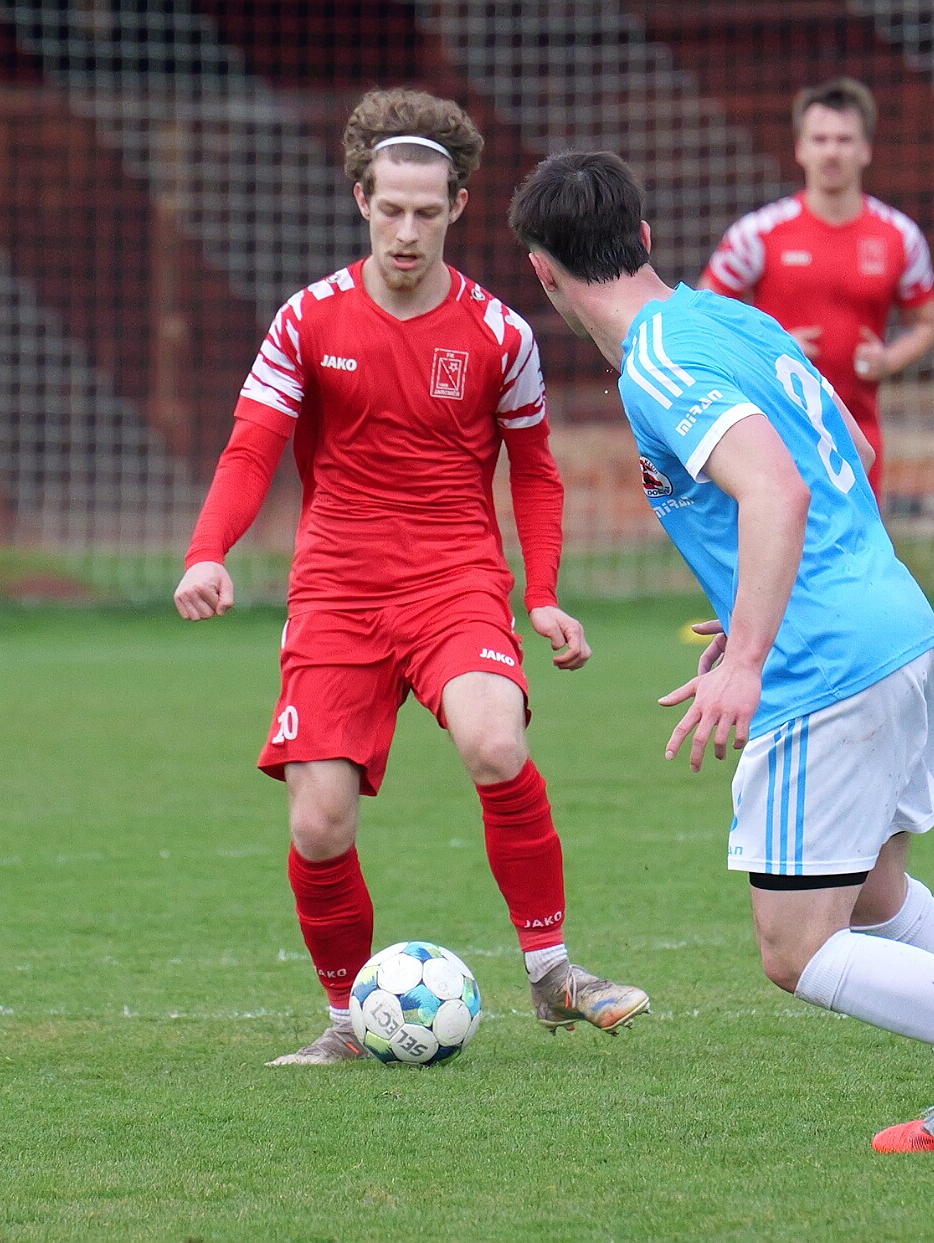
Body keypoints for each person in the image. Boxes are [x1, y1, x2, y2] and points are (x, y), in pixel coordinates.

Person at [509, 151, 934, 1157]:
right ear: (646, 238)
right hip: (894, 625)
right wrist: (749, 610)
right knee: (875, 894)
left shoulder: (657, 365)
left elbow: (779, 489)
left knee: (796, 948)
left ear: (544, 274)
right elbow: (852, 457)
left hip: (826, 664)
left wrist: (751, 653)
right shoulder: (731, 319)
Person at [174, 90, 648, 1066]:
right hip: (336, 592)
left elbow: (537, 471)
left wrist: (543, 593)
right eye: (390, 208)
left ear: (458, 207)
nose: (405, 230)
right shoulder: (307, 320)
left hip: (453, 582)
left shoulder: (499, 334)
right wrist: (207, 550)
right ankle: (349, 1022)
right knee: (319, 821)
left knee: (495, 741)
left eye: (426, 212)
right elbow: (251, 447)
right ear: (361, 198)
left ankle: (554, 972)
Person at [699, 78, 934, 496]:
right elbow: (704, 316)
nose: (831, 151)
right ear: (800, 148)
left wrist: (888, 359)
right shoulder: (758, 234)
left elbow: (926, 323)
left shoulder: (900, 237)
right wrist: (770, 349)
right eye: (820, 139)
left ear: (865, 149)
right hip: (771, 437)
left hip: (858, 442)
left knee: (861, 542)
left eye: (844, 140)